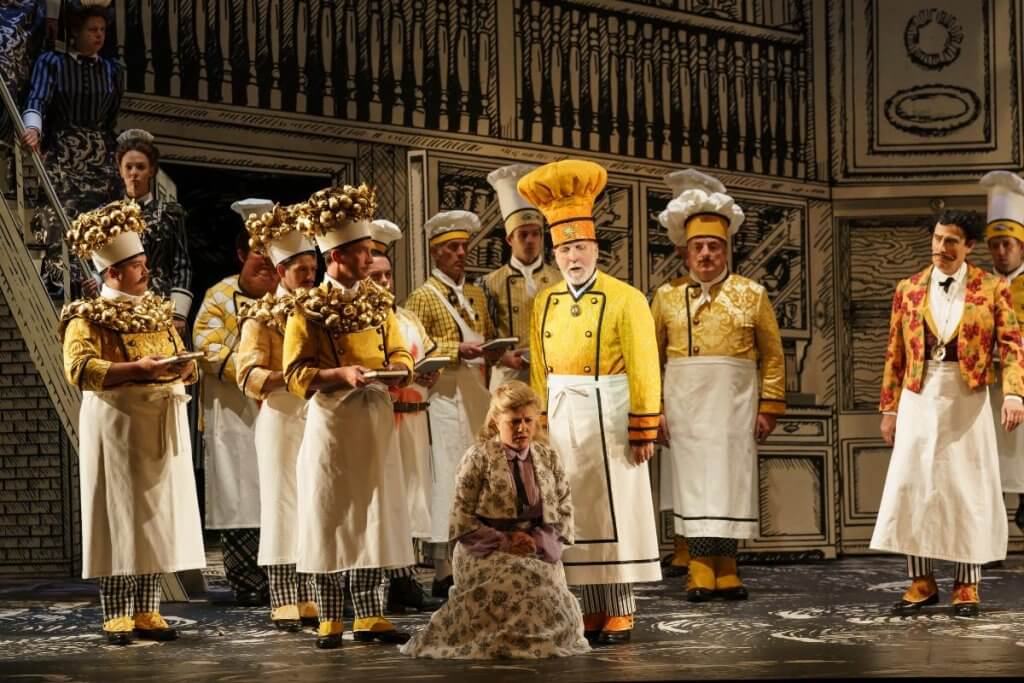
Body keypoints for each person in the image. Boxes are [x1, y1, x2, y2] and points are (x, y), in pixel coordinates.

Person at [521, 160, 662, 645]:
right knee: (572, 512)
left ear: (596, 248)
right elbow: (538, 370)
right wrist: (536, 424)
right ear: (555, 254)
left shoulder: (626, 298)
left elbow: (645, 366)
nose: (572, 257)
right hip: (563, 416)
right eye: (564, 249)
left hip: (611, 415)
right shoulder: (545, 301)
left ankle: (620, 608)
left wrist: (643, 427)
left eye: (579, 247)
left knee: (612, 510)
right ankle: (587, 607)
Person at [58, 199, 205, 645]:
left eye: (144, 264)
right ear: (113, 272)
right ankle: (117, 612)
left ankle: (148, 608)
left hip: (159, 421)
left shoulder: (158, 312)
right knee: (118, 514)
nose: (146, 272)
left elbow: (182, 360)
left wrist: (184, 367)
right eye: (138, 266)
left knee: (154, 516)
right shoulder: (87, 317)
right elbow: (80, 369)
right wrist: (136, 369)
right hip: (117, 425)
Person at [874, 209, 1024, 618]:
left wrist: (1014, 394)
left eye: (951, 241)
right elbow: (895, 352)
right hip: (919, 394)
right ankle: (921, 582)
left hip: (966, 394)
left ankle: (966, 584)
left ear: (969, 246)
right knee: (915, 485)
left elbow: (1013, 346)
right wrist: (889, 408)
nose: (941, 247)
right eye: (938, 239)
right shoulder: (909, 288)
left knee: (965, 488)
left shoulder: (991, 287)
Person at [283, 183, 415, 649]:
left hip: (375, 416)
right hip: (333, 422)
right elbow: (295, 373)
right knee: (330, 514)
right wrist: (341, 373)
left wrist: (401, 368)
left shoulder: (379, 303)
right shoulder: (307, 307)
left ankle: (371, 614)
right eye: (362, 252)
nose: (369, 259)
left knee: (375, 512)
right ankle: (330, 617)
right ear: (336, 256)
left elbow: (399, 349)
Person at [652, 169, 785, 602]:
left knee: (729, 483)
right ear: (686, 253)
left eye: (714, 246)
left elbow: (773, 355)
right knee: (694, 485)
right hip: (684, 408)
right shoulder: (666, 296)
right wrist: (654, 409)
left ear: (727, 249)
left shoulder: (753, 294)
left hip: (734, 406)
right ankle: (699, 567)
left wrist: (769, 406)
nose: (706, 254)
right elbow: (650, 357)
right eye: (698, 247)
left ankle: (727, 566)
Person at [401, 380, 590, 659]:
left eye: (528, 420)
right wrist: (505, 541)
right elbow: (461, 517)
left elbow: (564, 507)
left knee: (543, 589)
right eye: (514, 422)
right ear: (496, 420)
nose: (522, 428)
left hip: (537, 545)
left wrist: (537, 540)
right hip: (484, 547)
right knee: (511, 581)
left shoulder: (548, 457)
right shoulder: (478, 458)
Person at [404, 210, 500, 598]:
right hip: (443, 395)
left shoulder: (475, 294)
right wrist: (455, 348)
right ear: (435, 252)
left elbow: (487, 337)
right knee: (448, 475)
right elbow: (414, 347)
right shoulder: (422, 297)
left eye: (463, 246)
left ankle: (477, 558)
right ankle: (445, 567)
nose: (461, 253)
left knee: (478, 474)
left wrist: (499, 353)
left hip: (476, 391)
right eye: (452, 247)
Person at [235, 202, 320, 631]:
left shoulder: (323, 310)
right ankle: (284, 596)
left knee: (314, 502)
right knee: (282, 504)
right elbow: (247, 374)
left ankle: (312, 593)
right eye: (301, 269)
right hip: (282, 415)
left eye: (313, 268)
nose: (309, 276)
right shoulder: (262, 315)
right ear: (281, 270)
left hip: (318, 415)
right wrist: (293, 377)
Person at [193, 198, 280, 606]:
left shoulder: (290, 296)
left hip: (282, 408)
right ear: (242, 254)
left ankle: (286, 578)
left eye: (272, 252)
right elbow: (206, 349)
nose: (266, 262)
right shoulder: (218, 296)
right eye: (258, 252)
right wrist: (256, 372)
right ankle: (247, 580)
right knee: (241, 494)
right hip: (234, 415)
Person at [367, 218, 444, 614]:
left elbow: (427, 353)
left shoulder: (408, 318)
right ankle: (377, 583)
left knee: (413, 500)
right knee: (384, 502)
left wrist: (432, 371)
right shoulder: (359, 321)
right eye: (376, 276)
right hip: (382, 420)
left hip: (414, 419)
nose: (385, 283)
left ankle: (405, 580)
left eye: (388, 275)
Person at [21, 0, 122, 298]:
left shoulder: (113, 70)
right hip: (63, 153)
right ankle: (57, 284)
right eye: (92, 29)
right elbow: (37, 99)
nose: (99, 35)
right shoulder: (53, 62)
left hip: (100, 157)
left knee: (100, 222)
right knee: (60, 217)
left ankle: (97, 284)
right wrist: (33, 129)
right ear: (76, 32)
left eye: (102, 30)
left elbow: (111, 118)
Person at [481, 163, 560, 391]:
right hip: (508, 376)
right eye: (523, 235)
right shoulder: (489, 283)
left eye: (535, 234)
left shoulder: (559, 279)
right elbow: (482, 335)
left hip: (551, 375)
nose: (530, 240)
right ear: (509, 239)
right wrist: (503, 357)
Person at [981, 171, 1024, 533]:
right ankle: (989, 548)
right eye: (995, 245)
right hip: (987, 394)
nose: (1001, 252)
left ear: (1021, 246)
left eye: (1007, 244)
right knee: (987, 476)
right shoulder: (978, 286)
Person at [115, 128, 192, 329]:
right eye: (128, 167)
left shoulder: (170, 213)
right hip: (121, 308)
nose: (134, 173)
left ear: (151, 171)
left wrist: (178, 313)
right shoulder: (109, 217)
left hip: (160, 306)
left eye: (140, 167)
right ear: (120, 171)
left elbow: (181, 264)